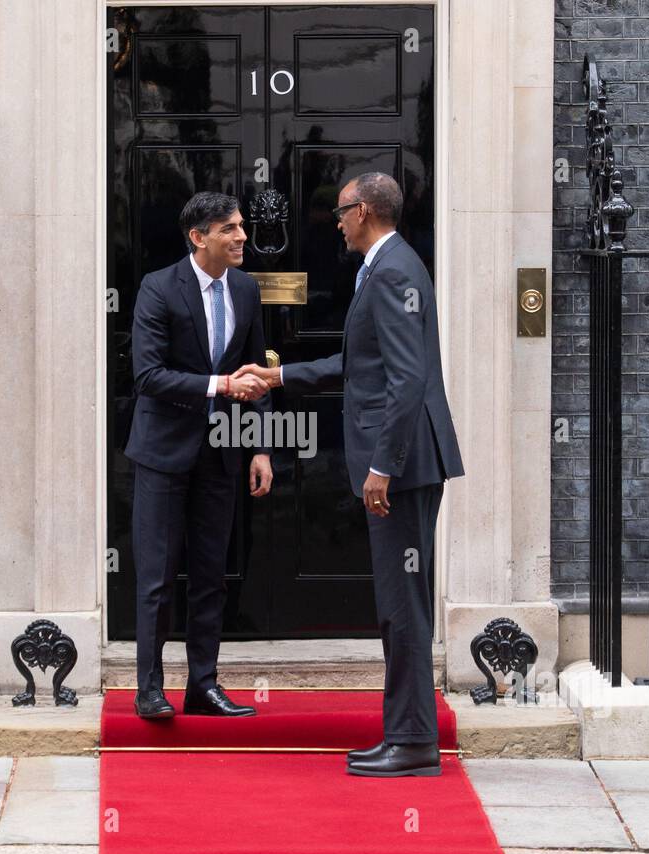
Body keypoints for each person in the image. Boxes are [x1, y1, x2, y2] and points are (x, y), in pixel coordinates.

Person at [235, 172, 464, 775]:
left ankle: (413, 742)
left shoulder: (390, 271)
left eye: (339, 212)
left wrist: (383, 467)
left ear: (363, 211)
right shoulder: (391, 267)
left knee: (402, 605)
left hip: (404, 467)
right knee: (397, 603)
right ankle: (406, 735)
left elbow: (407, 379)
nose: (335, 222)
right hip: (407, 463)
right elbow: (362, 365)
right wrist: (280, 375)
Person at [124, 191, 274, 719]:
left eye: (241, 227)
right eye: (230, 229)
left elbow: (255, 371)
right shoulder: (159, 288)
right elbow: (147, 375)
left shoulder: (248, 290)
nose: (241, 237)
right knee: (158, 578)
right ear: (199, 237)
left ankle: (203, 686)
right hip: (163, 454)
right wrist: (217, 386)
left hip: (222, 454)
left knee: (211, 574)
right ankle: (149, 690)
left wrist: (259, 445)